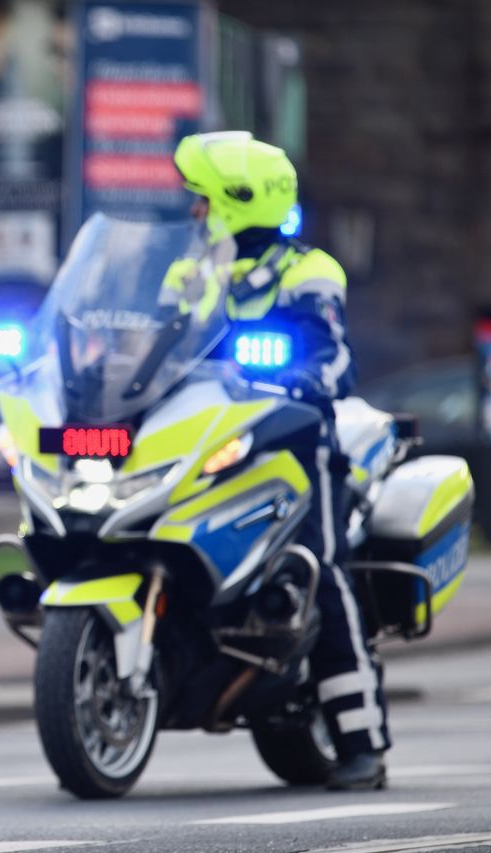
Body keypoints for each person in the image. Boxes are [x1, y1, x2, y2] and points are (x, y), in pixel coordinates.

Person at [169, 131, 390, 791]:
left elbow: (336, 357)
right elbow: (149, 348)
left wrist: (304, 374)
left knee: (317, 568)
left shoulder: (308, 270)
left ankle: (363, 740)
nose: (193, 213)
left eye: (201, 200)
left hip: (296, 445)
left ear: (236, 201)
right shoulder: (188, 272)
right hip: (205, 443)